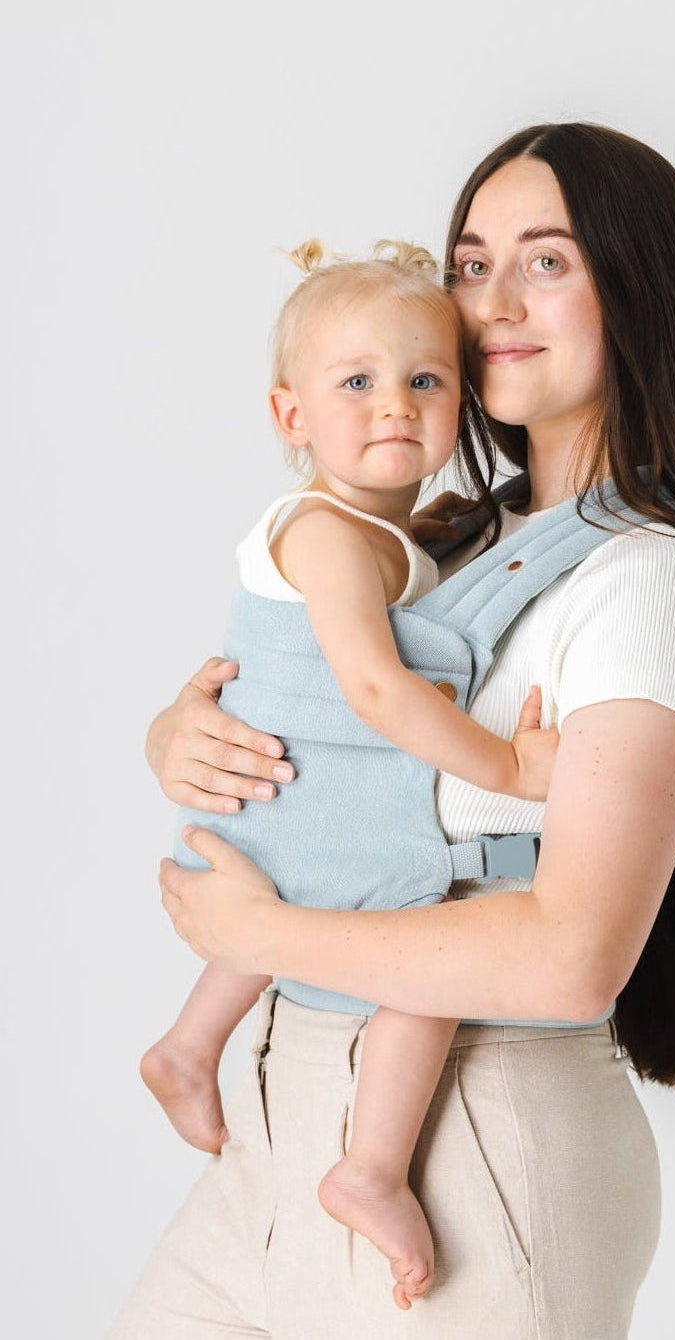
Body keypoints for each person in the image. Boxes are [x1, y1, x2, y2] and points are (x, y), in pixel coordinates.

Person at [113, 121, 675, 1339]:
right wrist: (179, 729)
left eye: (545, 260)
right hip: (277, 1130)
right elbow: (319, 710)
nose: (492, 301)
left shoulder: (652, 577)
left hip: (473, 1152)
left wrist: (258, 931)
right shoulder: (440, 536)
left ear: (638, 291)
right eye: (471, 263)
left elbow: (570, 954)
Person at [139, 237, 560, 1310]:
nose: (394, 407)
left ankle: (189, 1045)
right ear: (292, 416)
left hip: (295, 814)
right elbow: (374, 688)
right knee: (432, 954)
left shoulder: (400, 536)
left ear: (463, 398)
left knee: (311, 910)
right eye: (357, 383)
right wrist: (511, 768)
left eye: (424, 380)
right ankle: (370, 1166)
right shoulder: (329, 534)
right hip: (300, 798)